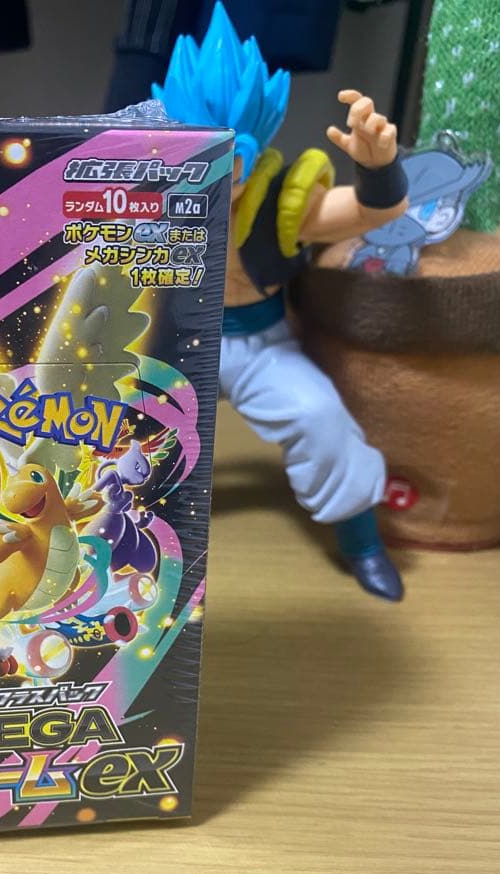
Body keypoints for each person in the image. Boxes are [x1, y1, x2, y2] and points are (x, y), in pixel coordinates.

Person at [154, 2, 410, 600]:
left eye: (229, 159)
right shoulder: (142, 190)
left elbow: (372, 211)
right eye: (196, 155)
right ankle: (123, 538)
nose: (214, 174)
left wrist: (379, 167)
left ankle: (362, 541)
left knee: (320, 417)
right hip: (174, 343)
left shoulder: (283, 200)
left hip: (261, 343)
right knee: (118, 425)